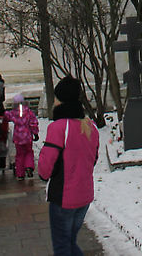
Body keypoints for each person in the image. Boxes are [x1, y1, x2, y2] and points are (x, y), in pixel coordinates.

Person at [38, 76, 99, 256]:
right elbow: (93, 160)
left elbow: (45, 168)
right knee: (69, 243)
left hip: (63, 198)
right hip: (84, 196)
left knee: (63, 247)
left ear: (60, 99)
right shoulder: (90, 127)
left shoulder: (58, 127)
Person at [5, 93, 39, 180]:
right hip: (27, 136)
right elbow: (33, 123)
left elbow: (6, 116)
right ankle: (29, 167)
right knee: (29, 152)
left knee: (19, 155)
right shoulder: (29, 112)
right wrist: (35, 133)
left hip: (18, 137)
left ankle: (20, 174)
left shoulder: (13, 113)